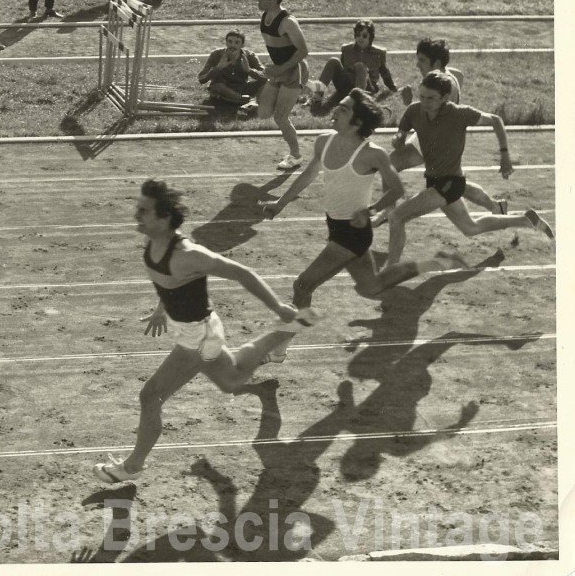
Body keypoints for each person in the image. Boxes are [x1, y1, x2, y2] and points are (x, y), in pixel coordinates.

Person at [91, 179, 311, 483]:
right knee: (231, 381)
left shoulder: (188, 254)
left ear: (164, 217)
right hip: (195, 332)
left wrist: (277, 306)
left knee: (150, 396)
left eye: (144, 210)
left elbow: (242, 273)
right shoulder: (154, 240)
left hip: (198, 337)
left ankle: (131, 468)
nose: (136, 215)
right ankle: (285, 332)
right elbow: (168, 284)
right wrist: (160, 309)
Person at [262, 89, 470, 360]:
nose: (335, 110)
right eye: (339, 106)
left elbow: (396, 189)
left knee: (303, 285)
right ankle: (432, 263)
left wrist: (371, 211)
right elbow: (308, 174)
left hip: (353, 232)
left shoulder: (373, 155)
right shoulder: (324, 141)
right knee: (370, 287)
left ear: (358, 123)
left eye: (344, 109)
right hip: (335, 226)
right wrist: (280, 204)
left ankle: (280, 348)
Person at [381, 71, 553, 270]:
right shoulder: (413, 111)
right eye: (422, 96)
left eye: (431, 98)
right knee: (471, 228)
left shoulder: (460, 114)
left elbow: (496, 120)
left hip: (450, 184)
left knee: (396, 217)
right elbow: (399, 137)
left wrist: (505, 155)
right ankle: (526, 220)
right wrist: (398, 139)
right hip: (435, 181)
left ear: (445, 98)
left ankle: (390, 271)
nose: (425, 102)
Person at [384, 38, 506, 218]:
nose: (417, 64)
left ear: (437, 63)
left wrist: (409, 103)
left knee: (390, 166)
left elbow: (432, 117)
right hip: (438, 137)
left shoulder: (443, 86)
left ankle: (389, 215)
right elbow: (460, 74)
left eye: (422, 60)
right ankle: (496, 206)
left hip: (434, 138)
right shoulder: (445, 77)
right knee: (457, 183)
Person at [256, 0, 310, 170]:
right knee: (263, 113)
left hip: (294, 71)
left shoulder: (288, 22)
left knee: (280, 117)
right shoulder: (264, 17)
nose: (258, 1)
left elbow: (303, 51)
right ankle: (310, 89)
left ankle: (295, 156)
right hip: (279, 69)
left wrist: (281, 68)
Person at [314, 19, 397, 108]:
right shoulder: (346, 49)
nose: (360, 38)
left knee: (360, 66)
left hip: (366, 88)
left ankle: (358, 102)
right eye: (358, 34)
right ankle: (317, 97)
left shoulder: (378, 53)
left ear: (370, 37)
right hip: (347, 86)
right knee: (333, 61)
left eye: (364, 35)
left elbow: (385, 73)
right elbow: (342, 68)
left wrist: (393, 88)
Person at [195, 29, 266, 105]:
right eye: (230, 41)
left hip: (242, 87)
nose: (232, 45)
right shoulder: (216, 54)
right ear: (226, 43)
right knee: (216, 86)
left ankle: (253, 102)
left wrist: (249, 70)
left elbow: (267, 76)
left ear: (242, 45)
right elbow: (201, 78)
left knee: (267, 83)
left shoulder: (249, 55)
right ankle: (246, 101)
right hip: (223, 89)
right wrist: (218, 68)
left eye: (237, 42)